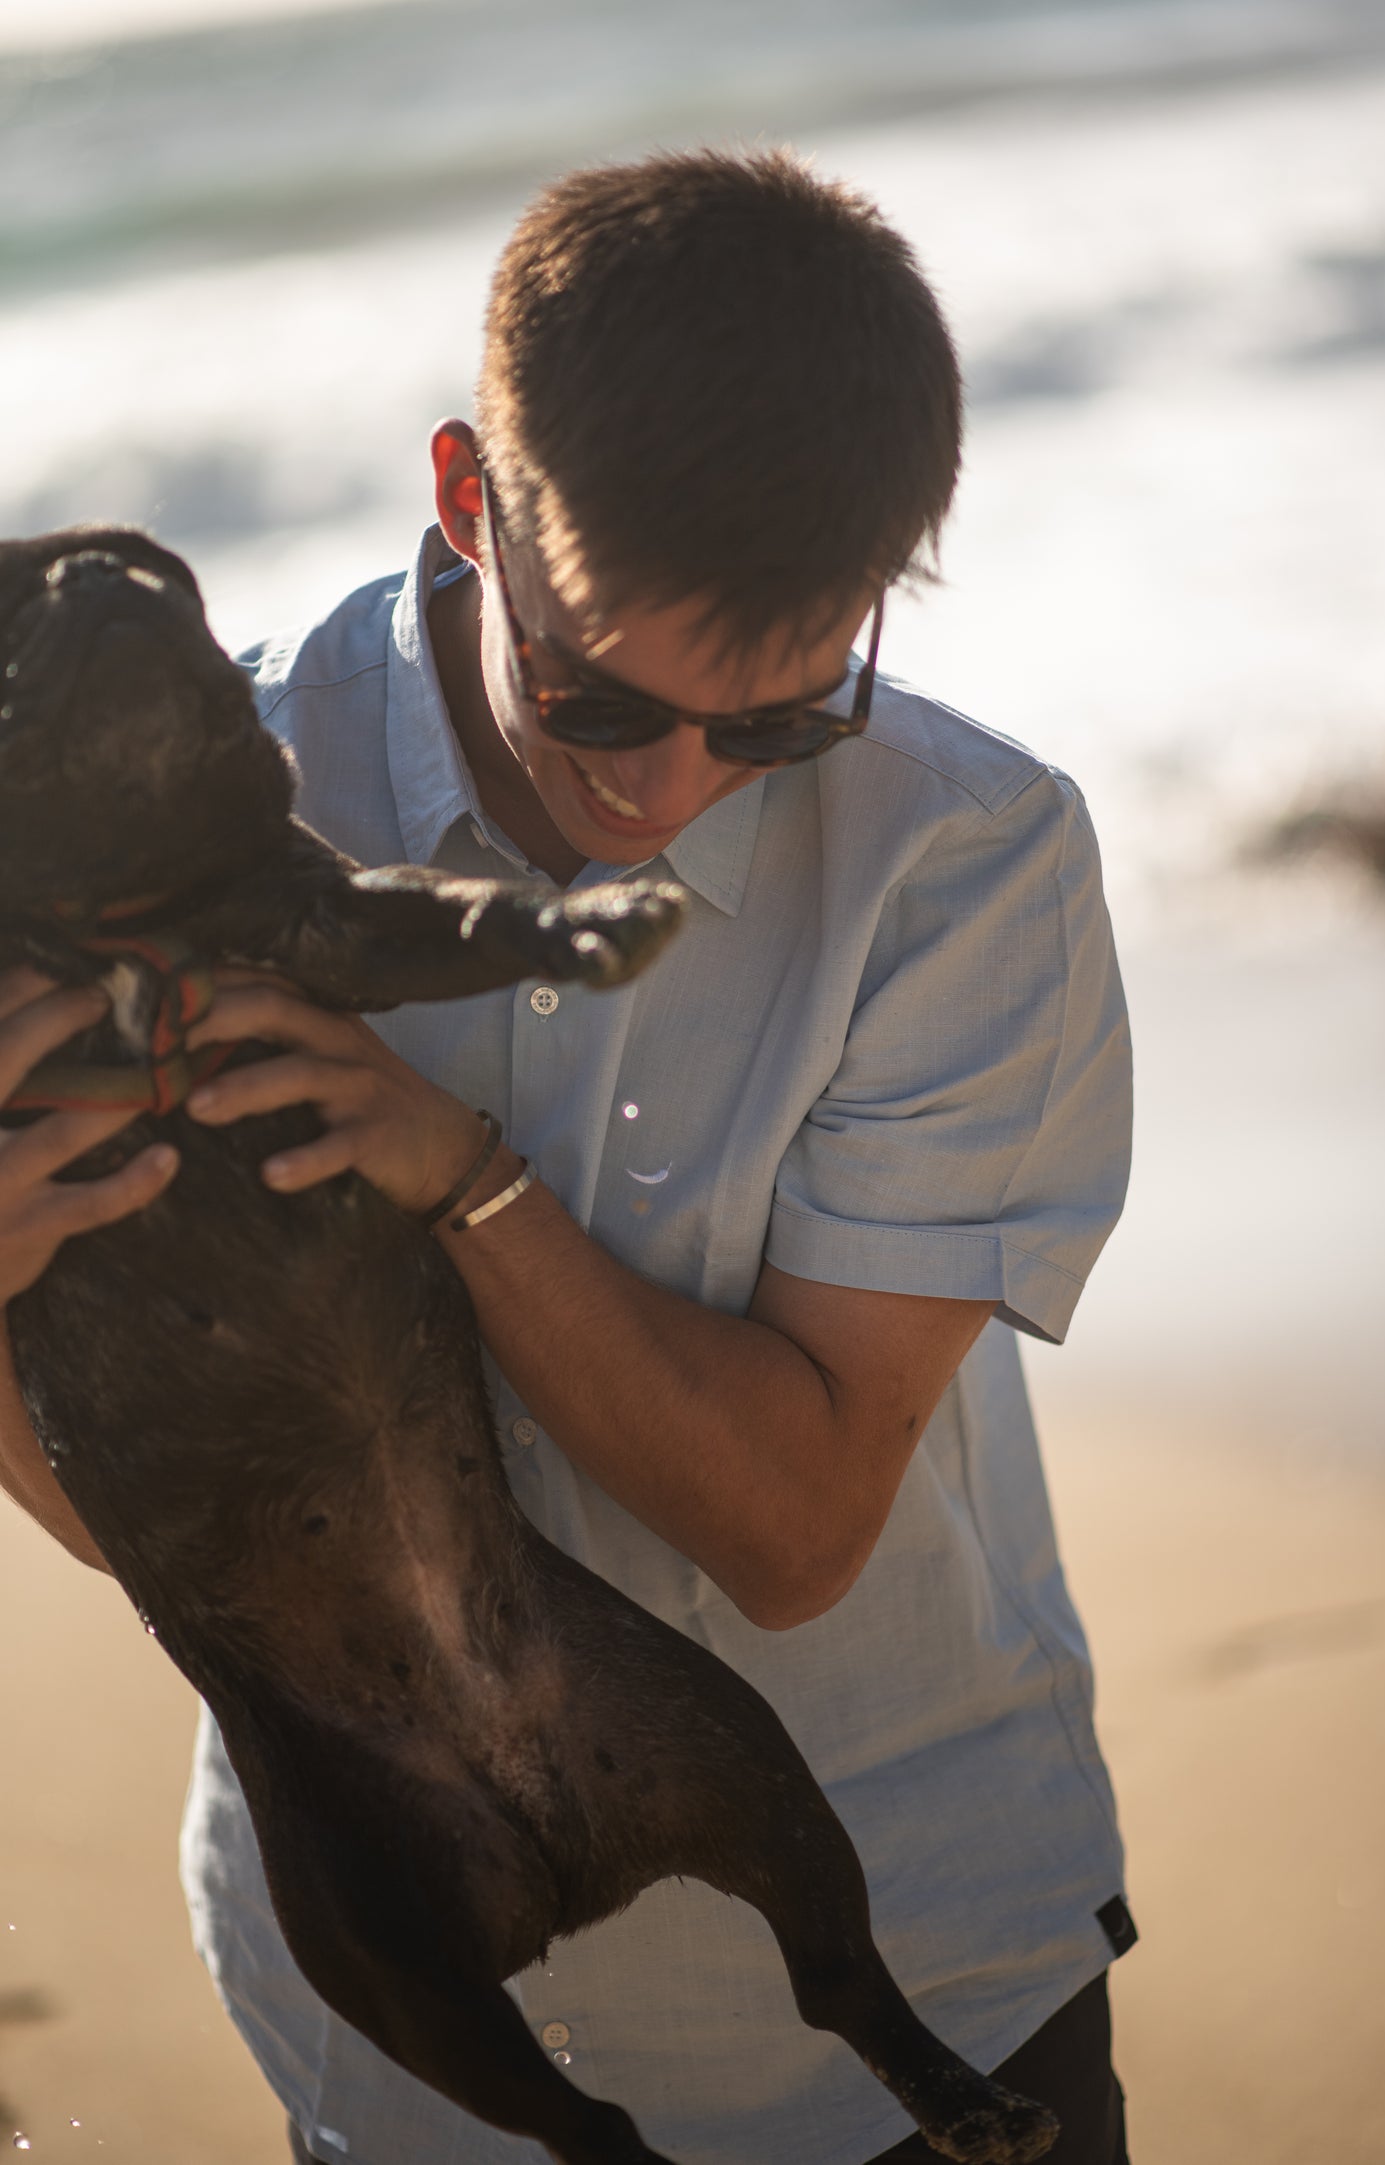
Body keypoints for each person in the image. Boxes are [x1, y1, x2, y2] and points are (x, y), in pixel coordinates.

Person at [0, 151, 1134, 2165]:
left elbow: (792, 1537)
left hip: (927, 1974)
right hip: (416, 2043)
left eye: (774, 726)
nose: (666, 792)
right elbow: (147, 1522)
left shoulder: (971, 864)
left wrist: (466, 1177)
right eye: (598, 699)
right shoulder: (167, 812)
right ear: (469, 499)